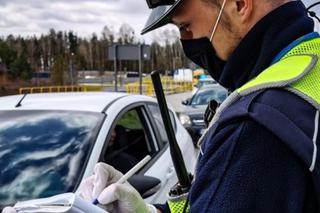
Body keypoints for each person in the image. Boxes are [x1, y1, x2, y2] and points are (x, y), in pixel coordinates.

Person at [4, 0, 320, 212]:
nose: (189, 44)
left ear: (238, 4)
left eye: (185, 27)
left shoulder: (254, 126)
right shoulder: (310, 69)